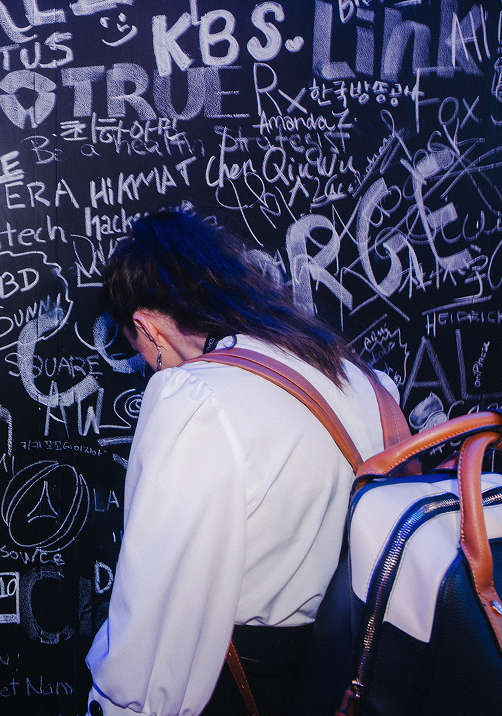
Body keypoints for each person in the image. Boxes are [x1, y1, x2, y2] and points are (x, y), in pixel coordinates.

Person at [86, 210, 399, 716]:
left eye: (138, 347)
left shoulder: (192, 396)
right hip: (345, 674)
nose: (148, 365)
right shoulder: (354, 377)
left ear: (145, 325)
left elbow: (158, 617)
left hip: (243, 684)